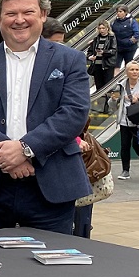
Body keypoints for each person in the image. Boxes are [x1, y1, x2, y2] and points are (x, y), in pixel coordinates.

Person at [0, 0, 91, 235]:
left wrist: (25, 149)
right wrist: (8, 156)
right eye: (11, 14)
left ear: (42, 15)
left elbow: (73, 113)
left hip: (51, 183)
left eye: (28, 12)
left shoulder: (70, 60)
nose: (20, 20)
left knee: (50, 270)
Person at [43, 19, 93, 239]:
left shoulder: (71, 63)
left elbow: (75, 112)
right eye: (54, 42)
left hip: (62, 173)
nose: (59, 48)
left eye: (62, 42)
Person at [85, 21, 117, 112]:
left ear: (107, 28)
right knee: (99, 86)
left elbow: (113, 51)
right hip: (97, 65)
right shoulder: (96, 39)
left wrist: (104, 52)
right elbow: (90, 51)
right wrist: (90, 57)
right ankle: (101, 106)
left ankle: (108, 106)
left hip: (107, 65)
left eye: (103, 28)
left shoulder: (111, 38)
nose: (101, 30)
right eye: (100, 28)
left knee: (107, 86)